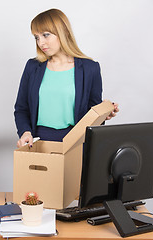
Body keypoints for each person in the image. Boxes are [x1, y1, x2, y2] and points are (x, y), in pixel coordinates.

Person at [14, 8, 119, 148]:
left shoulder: (90, 69)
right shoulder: (32, 67)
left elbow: (92, 115)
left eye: (46, 35)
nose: (41, 43)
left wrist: (103, 115)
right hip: (38, 143)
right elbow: (21, 108)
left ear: (62, 32)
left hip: (75, 143)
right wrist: (25, 132)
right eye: (37, 37)